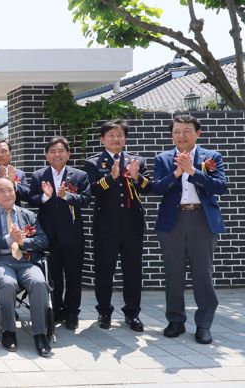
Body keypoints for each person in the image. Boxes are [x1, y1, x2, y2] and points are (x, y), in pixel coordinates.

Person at [151, 115, 227, 344]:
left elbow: (221, 186)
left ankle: (204, 325)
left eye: (186, 131)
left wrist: (194, 171)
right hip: (172, 222)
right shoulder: (163, 158)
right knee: (173, 274)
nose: (180, 136)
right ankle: (175, 320)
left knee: (202, 274)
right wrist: (176, 173)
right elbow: (156, 188)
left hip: (202, 220)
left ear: (198, 133)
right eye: (176, 131)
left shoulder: (212, 157)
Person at [84, 120, 151, 331]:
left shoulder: (137, 160)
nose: (116, 139)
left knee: (133, 271)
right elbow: (92, 190)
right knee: (104, 271)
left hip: (132, 226)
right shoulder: (93, 163)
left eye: (120, 135)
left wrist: (136, 176)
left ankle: (132, 314)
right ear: (102, 139)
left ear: (125, 138)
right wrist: (111, 178)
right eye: (111, 135)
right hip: (106, 227)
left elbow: (148, 187)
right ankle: (104, 312)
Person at [0, 177, 51, 357]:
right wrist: (9, 240)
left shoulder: (29, 215)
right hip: (2, 261)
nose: (7, 194)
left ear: (15, 193)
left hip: (27, 261)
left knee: (39, 282)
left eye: (10, 190)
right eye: (1, 191)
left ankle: (40, 335)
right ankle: (9, 331)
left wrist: (23, 241)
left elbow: (43, 240)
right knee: (8, 284)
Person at [28, 136, 90, 330]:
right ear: (47, 155)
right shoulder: (39, 176)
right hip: (48, 235)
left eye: (61, 150)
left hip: (72, 235)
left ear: (68, 154)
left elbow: (86, 199)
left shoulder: (79, 175)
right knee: (52, 276)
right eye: (53, 151)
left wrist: (67, 196)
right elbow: (31, 199)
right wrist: (45, 197)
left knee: (73, 276)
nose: (57, 154)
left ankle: (72, 313)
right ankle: (55, 310)